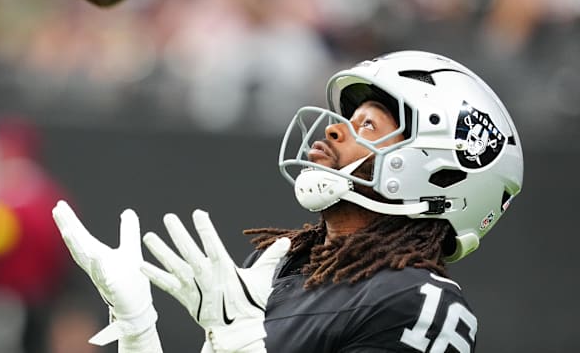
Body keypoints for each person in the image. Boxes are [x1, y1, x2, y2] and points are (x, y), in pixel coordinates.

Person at [52, 50, 523, 353]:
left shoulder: (420, 302)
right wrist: (138, 330)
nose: (335, 129)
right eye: (348, 118)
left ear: (435, 170)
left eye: (368, 126)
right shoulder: (282, 269)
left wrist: (240, 345)